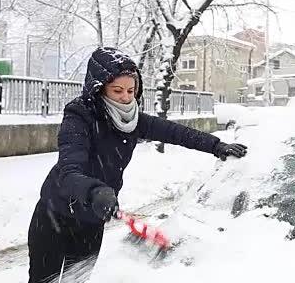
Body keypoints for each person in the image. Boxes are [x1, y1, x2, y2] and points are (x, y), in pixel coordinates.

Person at [27, 47, 248, 283]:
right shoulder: (79, 117)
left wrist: (216, 146)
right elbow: (69, 170)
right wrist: (94, 191)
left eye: (131, 90)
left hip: (92, 221)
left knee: (76, 280)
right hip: (55, 216)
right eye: (117, 90)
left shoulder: (132, 120)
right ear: (99, 88)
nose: (125, 97)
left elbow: (176, 132)